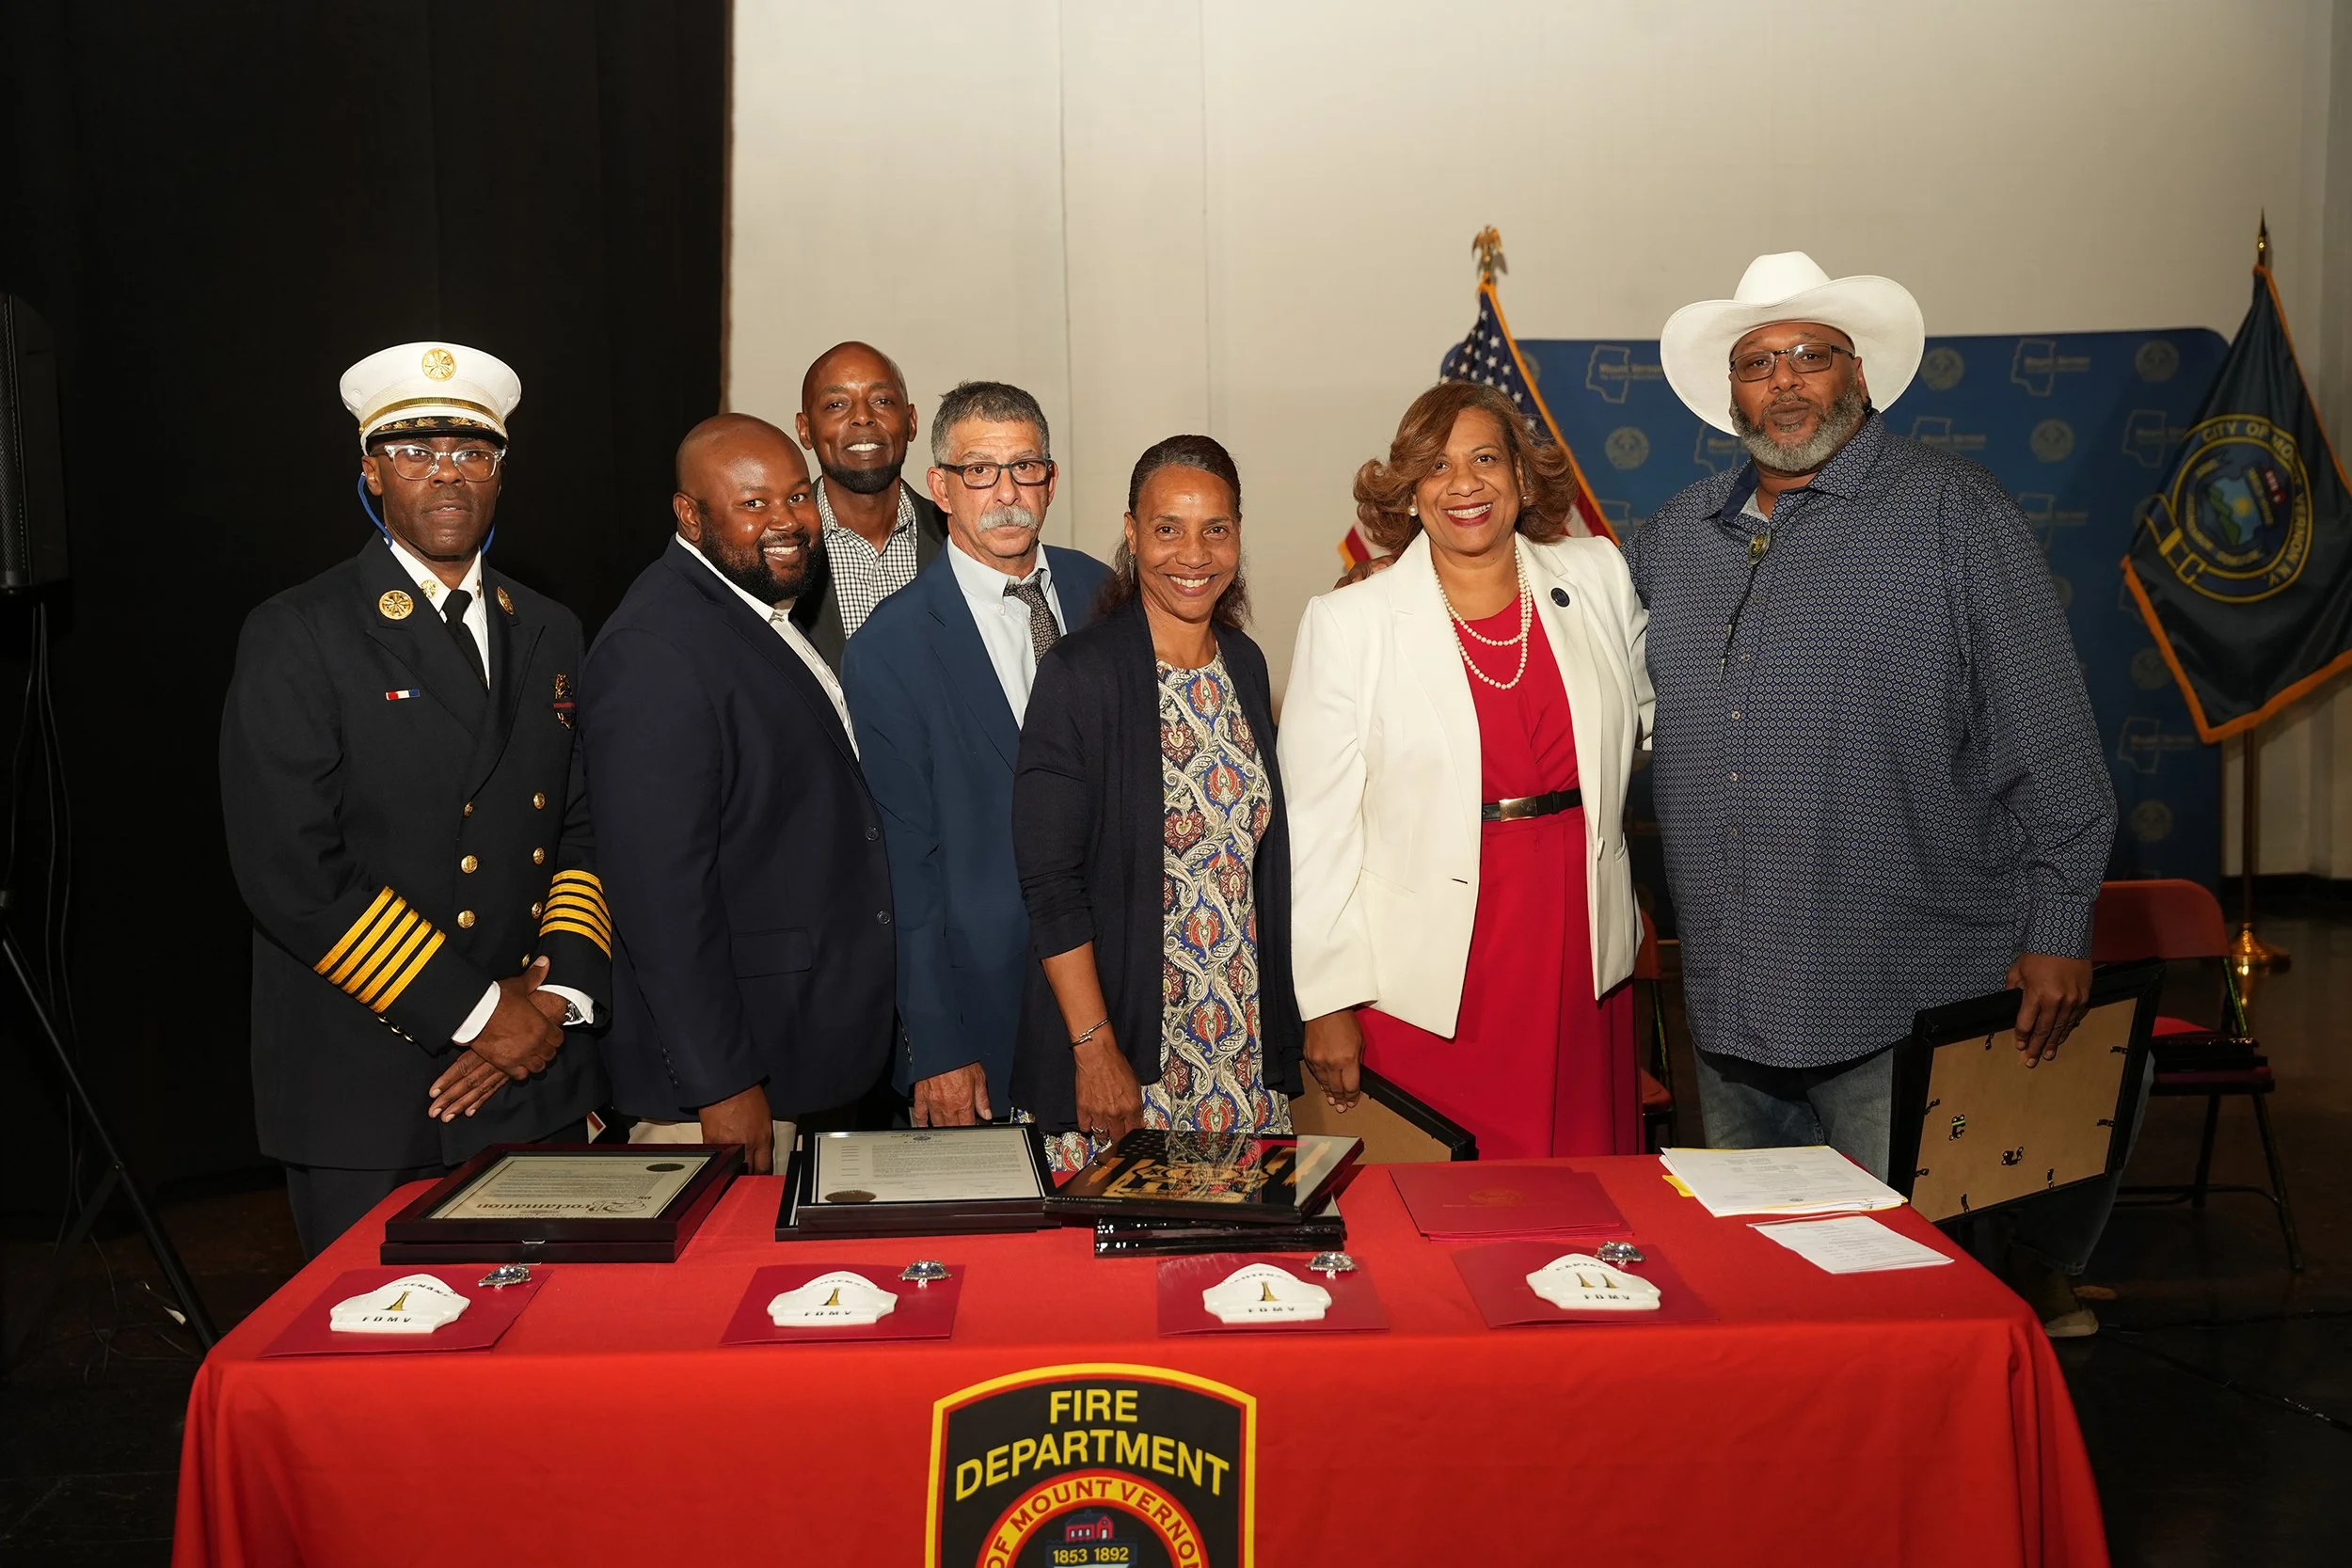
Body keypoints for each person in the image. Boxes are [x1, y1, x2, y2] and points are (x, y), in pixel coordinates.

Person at [1634, 251, 2117, 1328]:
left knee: (1903, 1296)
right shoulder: (1675, 538)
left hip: (1898, 987)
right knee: (1758, 1295)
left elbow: (2050, 736)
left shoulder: (1954, 512)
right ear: (1730, 392)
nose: (1788, 381)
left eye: (1813, 354)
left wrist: (2060, 918)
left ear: (1860, 375)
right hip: (1729, 992)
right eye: (1760, 362)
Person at [221, 341, 610, 1257]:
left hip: (536, 1076)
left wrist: (551, 1007)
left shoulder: (549, 626)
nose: (446, 472)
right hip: (373, 1093)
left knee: (547, 1369)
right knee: (377, 1372)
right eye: (414, 448)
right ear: (369, 469)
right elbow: (292, 873)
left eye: (471, 450)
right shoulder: (299, 632)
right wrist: (482, 1014)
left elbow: (584, 826)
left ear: (501, 474)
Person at [1281, 383, 1651, 1160]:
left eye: (1486, 458)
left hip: (1581, 941)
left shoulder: (1597, 578)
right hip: (1433, 972)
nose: (1465, 483)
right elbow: (1318, 832)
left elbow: (1648, 714)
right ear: (1411, 494)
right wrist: (1326, 1000)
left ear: (1521, 475)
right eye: (1437, 466)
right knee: (1451, 1212)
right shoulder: (1353, 621)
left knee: (1587, 1198)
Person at [580, 414, 896, 1173]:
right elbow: (659, 898)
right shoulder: (655, 650)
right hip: (729, 1085)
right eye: (752, 505)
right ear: (690, 515)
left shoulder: (758, 613)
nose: (786, 522)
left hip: (804, 1051)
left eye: (795, 497)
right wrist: (720, 1080)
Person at [1009, 435, 1301, 1172]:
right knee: (1114, 1288)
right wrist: (1094, 1048)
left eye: (1216, 529)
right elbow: (1051, 884)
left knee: (1242, 1280)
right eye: (1168, 528)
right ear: (1133, 533)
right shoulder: (1080, 673)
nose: (1193, 554)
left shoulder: (1245, 661)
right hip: (1128, 1058)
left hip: (1238, 1050)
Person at [839, 383, 1110, 1128]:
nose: (1007, 494)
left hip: (1117, 987)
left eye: (1025, 468)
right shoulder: (887, 650)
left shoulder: (1104, 595)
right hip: (984, 1010)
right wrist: (935, 1042)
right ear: (940, 488)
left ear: (1051, 480)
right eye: (980, 472)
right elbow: (905, 868)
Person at [788, 341, 950, 666]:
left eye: (881, 400)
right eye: (836, 405)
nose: (863, 417)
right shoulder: (781, 548)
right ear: (805, 431)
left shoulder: (961, 537)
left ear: (911, 422)